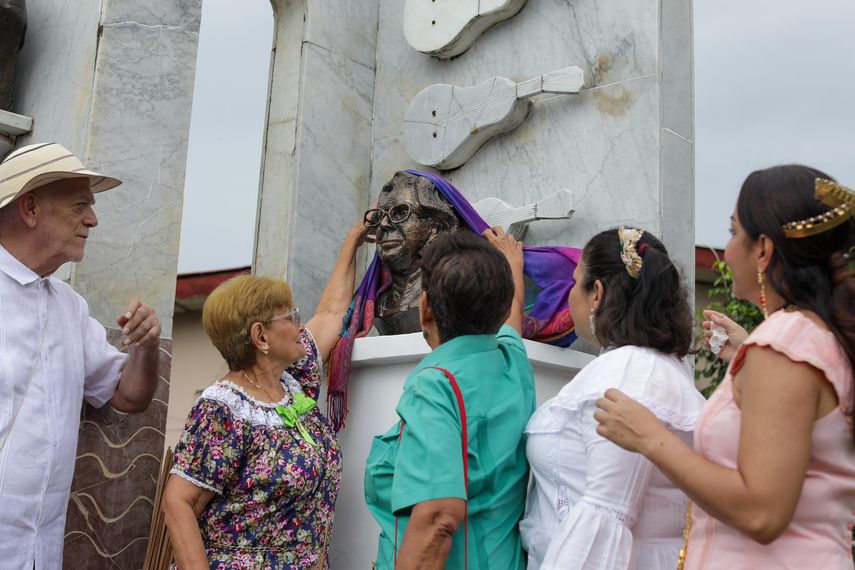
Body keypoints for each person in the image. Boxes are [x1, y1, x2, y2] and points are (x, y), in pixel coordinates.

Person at [595, 165, 855, 569]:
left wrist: (650, 437)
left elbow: (760, 512)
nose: (728, 250)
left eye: (734, 232)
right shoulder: (810, 338)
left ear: (763, 249)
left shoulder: (783, 345)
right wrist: (750, 356)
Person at [162, 222, 368, 569]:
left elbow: (332, 313)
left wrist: (355, 239)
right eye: (290, 317)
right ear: (261, 336)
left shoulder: (293, 381)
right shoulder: (222, 409)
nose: (300, 326)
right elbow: (178, 503)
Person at [0, 142, 161, 568]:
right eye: (79, 205)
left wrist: (146, 347)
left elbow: (129, 396)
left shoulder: (70, 307)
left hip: (40, 552)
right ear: (30, 208)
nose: (93, 219)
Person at [519, 227, 705, 569]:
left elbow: (607, 513)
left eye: (575, 283)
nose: (569, 294)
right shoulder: (653, 370)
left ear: (597, 294)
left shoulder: (627, 376)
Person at [364, 228, 535, 569]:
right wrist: (511, 265)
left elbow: (438, 518)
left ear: (425, 307)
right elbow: (512, 320)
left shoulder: (436, 387)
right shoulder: (513, 362)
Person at [367, 170, 461, 335]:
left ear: (439, 228)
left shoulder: (452, 293)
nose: (383, 224)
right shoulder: (378, 304)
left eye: (401, 213)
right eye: (380, 216)